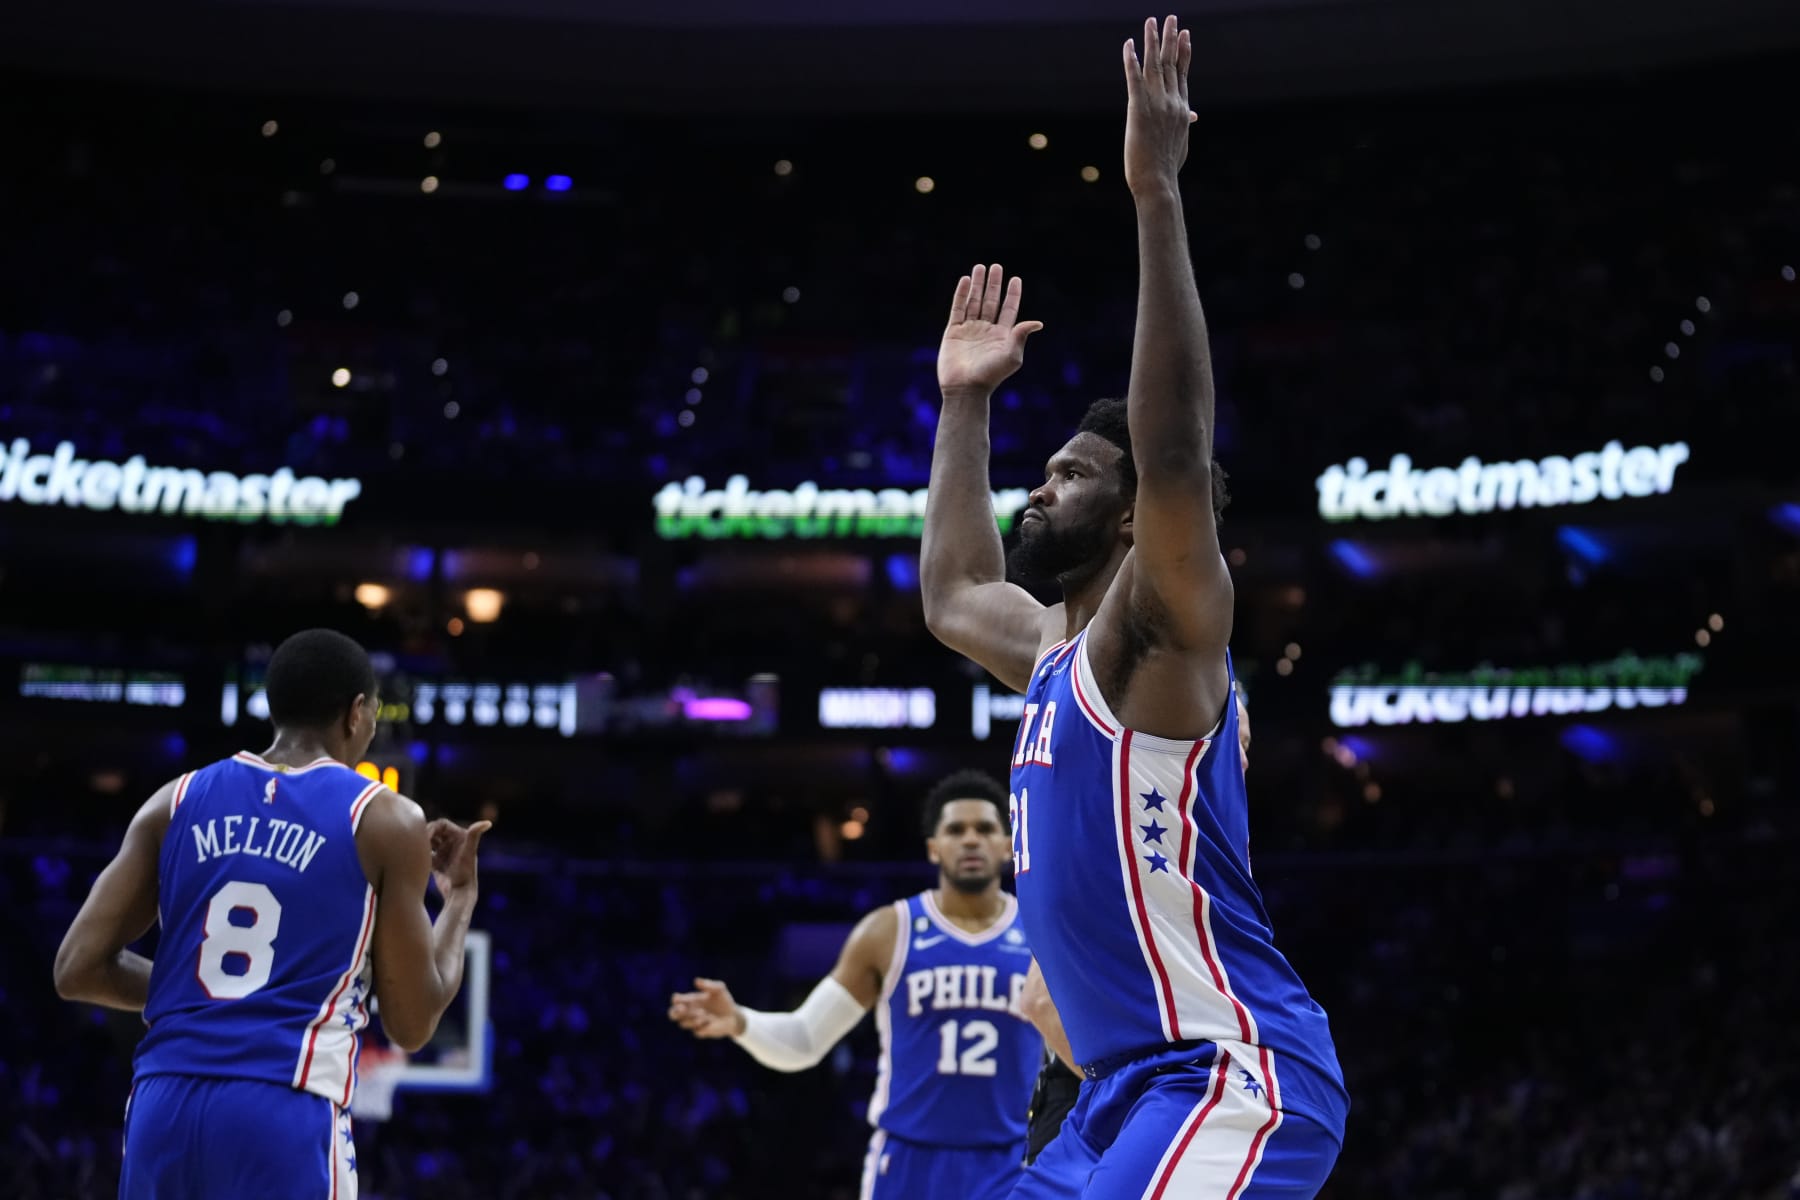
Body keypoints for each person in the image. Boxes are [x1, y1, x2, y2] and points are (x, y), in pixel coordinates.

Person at [921, 15, 1347, 1196]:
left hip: (1225, 1072)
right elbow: (955, 592)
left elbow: (1172, 450)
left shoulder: (1160, 631)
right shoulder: (1053, 648)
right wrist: (964, 404)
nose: (1037, 487)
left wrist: (1155, 193)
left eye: (1068, 474)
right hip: (1115, 1097)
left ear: (1128, 518)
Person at [53, 628, 490, 1200]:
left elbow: (76, 968)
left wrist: (205, 996)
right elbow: (412, 1024)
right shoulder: (384, 818)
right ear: (356, 713)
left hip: (162, 1102)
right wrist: (457, 901)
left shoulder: (174, 800)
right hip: (283, 1104)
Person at [669, 770, 1042, 1200]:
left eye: (985, 829)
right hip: (907, 1162)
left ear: (1008, 845)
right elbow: (806, 1038)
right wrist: (740, 1022)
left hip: (1010, 1161)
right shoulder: (888, 932)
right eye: (956, 830)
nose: (971, 839)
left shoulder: (1041, 936)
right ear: (933, 849)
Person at [1019, 687, 1253, 1168]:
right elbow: (1040, 1000)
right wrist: (1144, 1103)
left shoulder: (1200, 846)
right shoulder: (1120, 839)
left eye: (1243, 746)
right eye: (1229, 745)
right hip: (1091, 1104)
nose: (1237, 759)